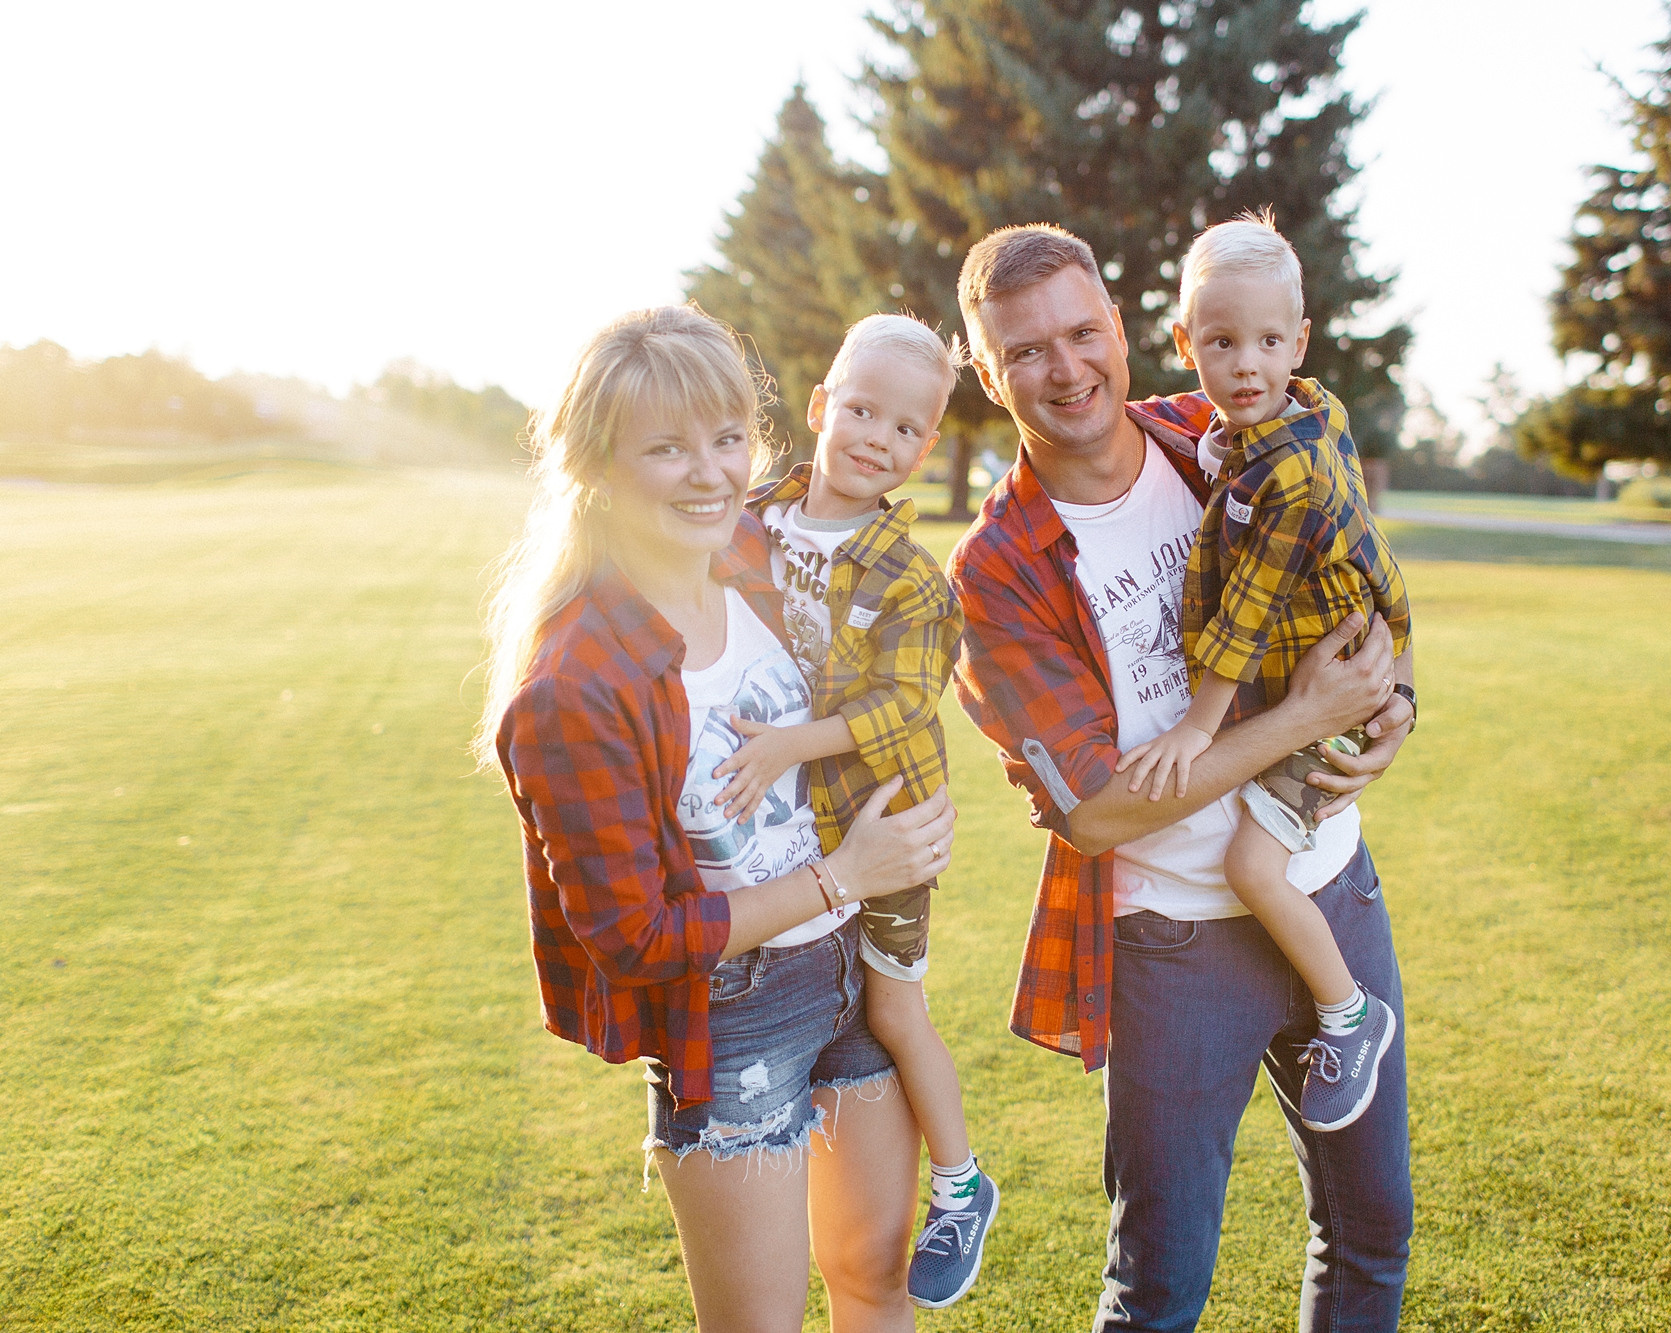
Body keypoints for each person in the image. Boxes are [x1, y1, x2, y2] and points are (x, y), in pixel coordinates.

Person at [945, 224, 1418, 1333]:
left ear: (1118, 327)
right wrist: (1307, 715)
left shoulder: (1211, 435)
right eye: (1024, 353)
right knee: (1157, 1288)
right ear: (985, 372)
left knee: (1370, 1235)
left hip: (1329, 887)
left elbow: (1347, 571)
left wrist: (1388, 707)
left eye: (1079, 332)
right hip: (1174, 940)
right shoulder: (998, 570)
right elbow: (1097, 811)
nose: (1064, 369)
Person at [476, 304, 956, 1332]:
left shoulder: (760, 563)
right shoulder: (573, 686)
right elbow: (635, 936)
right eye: (667, 447)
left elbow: (888, 684)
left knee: (875, 1276)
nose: (711, 473)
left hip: (853, 975)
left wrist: (920, 804)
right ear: (596, 467)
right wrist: (846, 874)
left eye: (728, 437)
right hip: (732, 1015)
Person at [710, 313, 999, 1308]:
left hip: (889, 823)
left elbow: (899, 703)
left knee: (892, 1009)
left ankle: (961, 1186)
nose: (878, 435)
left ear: (926, 447)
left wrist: (788, 743)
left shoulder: (915, 580)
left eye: (905, 427)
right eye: (862, 410)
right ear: (823, 407)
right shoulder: (750, 515)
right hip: (798, 835)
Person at [1112, 212, 1413, 1134]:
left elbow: (1246, 617)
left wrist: (1199, 728)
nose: (1246, 365)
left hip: (1323, 695)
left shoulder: (1289, 475)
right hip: (1332, 670)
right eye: (1222, 341)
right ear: (1185, 344)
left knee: (1253, 859)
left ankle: (1350, 1014)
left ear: (1302, 340)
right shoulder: (1302, 411)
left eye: (1269, 342)